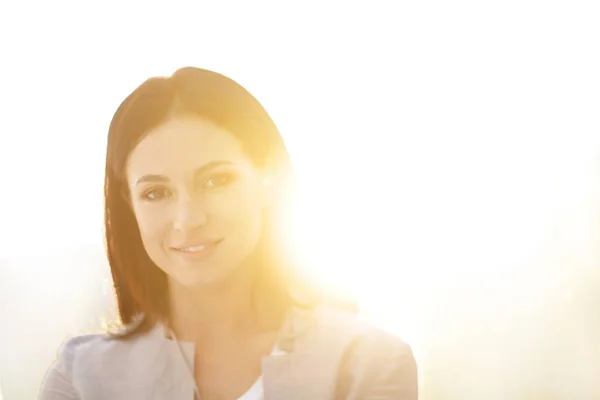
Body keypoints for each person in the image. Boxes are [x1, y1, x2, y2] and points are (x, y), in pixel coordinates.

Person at [38, 67, 417, 399]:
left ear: (266, 178)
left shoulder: (367, 364)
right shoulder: (80, 378)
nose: (188, 219)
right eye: (156, 193)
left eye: (216, 181)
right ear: (129, 204)